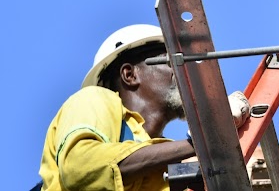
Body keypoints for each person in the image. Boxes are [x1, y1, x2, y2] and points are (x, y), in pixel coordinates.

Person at [38, 24, 250, 191]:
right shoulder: (95, 98)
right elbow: (82, 168)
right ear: (130, 75)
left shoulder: (165, 156)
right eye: (171, 62)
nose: (183, 74)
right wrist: (205, 138)